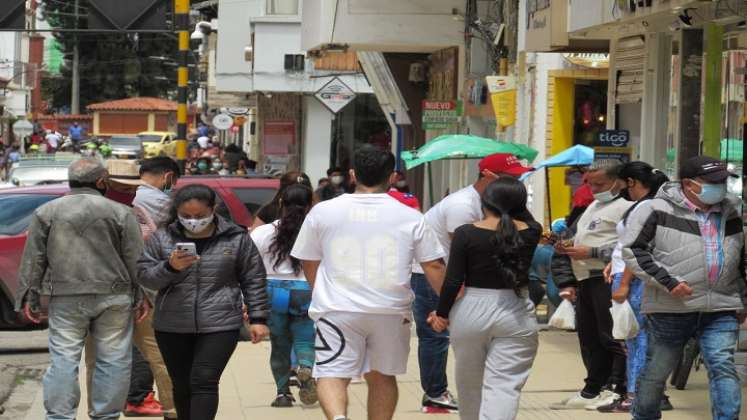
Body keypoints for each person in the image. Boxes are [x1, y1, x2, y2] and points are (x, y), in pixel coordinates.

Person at [291, 146, 447, 420]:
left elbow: (308, 259)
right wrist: (447, 306)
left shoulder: (323, 212)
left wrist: (319, 291)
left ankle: (339, 418)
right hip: (390, 309)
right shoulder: (411, 216)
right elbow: (433, 265)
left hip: (336, 309)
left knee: (331, 372)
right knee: (382, 376)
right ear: (392, 176)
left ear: (352, 174)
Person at [16, 158, 148, 420]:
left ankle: (59, 416)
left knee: (64, 359)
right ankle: (106, 416)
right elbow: (136, 258)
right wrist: (143, 294)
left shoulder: (47, 211)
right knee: (113, 359)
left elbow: (34, 258)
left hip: (66, 296)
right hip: (115, 296)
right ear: (101, 182)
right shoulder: (121, 212)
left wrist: (28, 296)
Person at [620, 156, 747, 420]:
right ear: (689, 184)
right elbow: (633, 251)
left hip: (721, 306)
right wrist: (669, 281)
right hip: (672, 307)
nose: (720, 187)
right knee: (657, 370)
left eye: (723, 181)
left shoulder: (731, 210)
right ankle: (644, 416)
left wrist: (742, 299)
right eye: (713, 182)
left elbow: (740, 259)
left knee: (723, 366)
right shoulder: (655, 209)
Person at [137, 184, 270, 420]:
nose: (193, 221)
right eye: (186, 216)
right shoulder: (162, 238)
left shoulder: (236, 238)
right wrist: (170, 267)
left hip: (220, 323)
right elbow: (146, 277)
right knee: (182, 383)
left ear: (213, 209)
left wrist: (259, 318)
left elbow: (253, 278)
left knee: (204, 380)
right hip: (172, 324)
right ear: (176, 212)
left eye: (199, 216)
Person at [413, 152, 533, 413]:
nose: (517, 181)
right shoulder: (529, 230)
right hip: (510, 303)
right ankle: (435, 391)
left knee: (469, 383)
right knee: (504, 384)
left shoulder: (469, 232)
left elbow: (457, 273)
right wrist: (515, 202)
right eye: (512, 179)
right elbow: (455, 274)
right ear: (488, 177)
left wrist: (443, 312)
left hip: (470, 300)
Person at [550, 160, 633, 411]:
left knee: (612, 336)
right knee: (589, 337)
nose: (595, 188)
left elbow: (630, 247)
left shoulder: (628, 208)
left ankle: (616, 388)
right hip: (585, 278)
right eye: (591, 183)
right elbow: (577, 236)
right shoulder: (593, 206)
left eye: (601, 184)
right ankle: (592, 388)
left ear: (620, 181)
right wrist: (566, 246)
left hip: (607, 277)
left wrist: (593, 251)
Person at [592, 161, 671, 414]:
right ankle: (639, 393)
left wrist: (624, 281)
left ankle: (637, 394)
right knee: (633, 339)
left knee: (637, 339)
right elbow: (624, 247)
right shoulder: (642, 206)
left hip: (633, 282)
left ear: (631, 182)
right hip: (625, 277)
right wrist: (613, 267)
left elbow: (640, 249)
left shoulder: (646, 207)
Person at [251, 184, 318, 408]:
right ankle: (306, 367)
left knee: (279, 346)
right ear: (310, 205)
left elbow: (250, 267)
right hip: (305, 291)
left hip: (272, 291)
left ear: (281, 203)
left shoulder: (262, 232)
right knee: (304, 338)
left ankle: (282, 394)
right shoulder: (317, 232)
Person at [129, 157, 182, 419]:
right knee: (157, 351)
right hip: (150, 287)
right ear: (168, 177)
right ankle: (173, 409)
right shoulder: (167, 203)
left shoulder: (122, 199)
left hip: (110, 287)